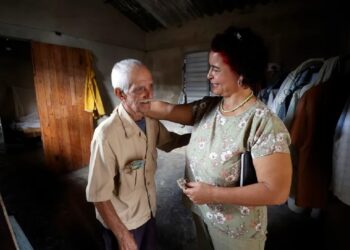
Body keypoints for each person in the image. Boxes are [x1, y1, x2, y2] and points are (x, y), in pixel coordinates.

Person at [140, 26, 292, 250]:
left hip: (236, 230)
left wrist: (212, 193)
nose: (208, 75)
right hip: (202, 212)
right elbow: (168, 109)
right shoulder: (209, 107)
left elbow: (276, 191)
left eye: (215, 69)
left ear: (241, 73)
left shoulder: (263, 124)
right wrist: (135, 105)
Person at [86, 59, 190, 250]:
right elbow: (99, 196)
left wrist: (200, 137)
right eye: (140, 89)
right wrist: (123, 236)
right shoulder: (106, 136)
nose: (150, 95)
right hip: (123, 223)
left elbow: (169, 141)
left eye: (151, 86)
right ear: (120, 94)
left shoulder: (149, 118)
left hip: (147, 211)